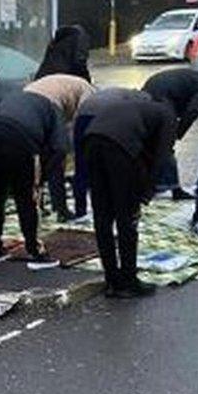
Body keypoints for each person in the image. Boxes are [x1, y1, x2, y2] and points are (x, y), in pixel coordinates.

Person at [79, 99, 177, 298]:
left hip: (91, 141)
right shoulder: (168, 117)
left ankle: (111, 280)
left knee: (103, 216)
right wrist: (146, 192)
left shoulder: (139, 107)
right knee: (127, 217)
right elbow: (162, 157)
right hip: (119, 147)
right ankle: (129, 281)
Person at [0, 90, 69, 270]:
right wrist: (41, 179)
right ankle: (34, 252)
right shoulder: (53, 110)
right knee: (26, 198)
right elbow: (60, 149)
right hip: (18, 139)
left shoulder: (14, 99)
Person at [71, 87, 153, 221]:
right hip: (102, 118)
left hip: (83, 115)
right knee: (111, 166)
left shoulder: (117, 92)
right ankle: (114, 207)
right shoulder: (143, 101)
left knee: (81, 164)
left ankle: (80, 210)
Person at [24, 74, 96, 221]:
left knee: (38, 158)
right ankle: (61, 210)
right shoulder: (89, 93)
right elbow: (80, 127)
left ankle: (38, 205)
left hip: (26, 102)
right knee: (57, 157)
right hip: (49, 104)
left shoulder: (73, 84)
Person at [141, 68, 198, 200]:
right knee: (165, 146)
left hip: (149, 92)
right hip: (163, 100)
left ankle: (151, 184)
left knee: (151, 142)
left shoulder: (194, 76)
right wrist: (178, 132)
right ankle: (168, 188)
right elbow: (193, 110)